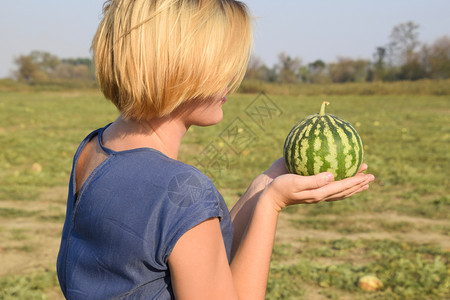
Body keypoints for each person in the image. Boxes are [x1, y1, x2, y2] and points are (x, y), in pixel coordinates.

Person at [56, 0, 375, 299]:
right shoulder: (181, 189)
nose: (233, 79)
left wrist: (263, 187)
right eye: (223, 66)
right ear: (182, 70)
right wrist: (272, 205)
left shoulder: (93, 148)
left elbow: (195, 254)